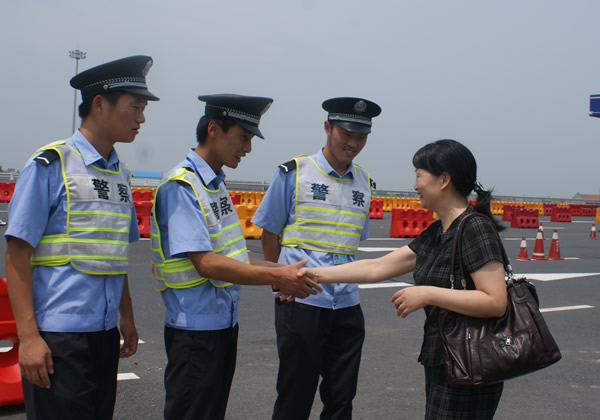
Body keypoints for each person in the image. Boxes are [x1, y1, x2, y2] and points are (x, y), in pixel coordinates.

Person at [300, 139, 508, 419]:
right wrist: (312, 274)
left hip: (472, 361)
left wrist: (427, 294)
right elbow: (377, 267)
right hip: (447, 358)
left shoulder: (475, 228)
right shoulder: (438, 231)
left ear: (444, 179)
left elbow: (495, 301)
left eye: (419, 175)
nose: (415, 185)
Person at [4, 55, 159, 419]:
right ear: (99, 104)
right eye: (135, 107)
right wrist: (29, 337)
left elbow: (111, 254)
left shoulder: (120, 175)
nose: (141, 118)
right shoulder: (52, 165)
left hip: (103, 334)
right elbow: (17, 253)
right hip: (58, 335)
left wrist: (126, 316)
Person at [151, 94, 322, 420]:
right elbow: (206, 263)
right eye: (243, 137)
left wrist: (285, 270)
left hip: (221, 326)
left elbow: (236, 257)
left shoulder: (214, 186)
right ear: (213, 129)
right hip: (193, 332)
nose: (248, 148)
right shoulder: (182, 186)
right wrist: (277, 276)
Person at [251, 97, 381, 420]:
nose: (353, 143)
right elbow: (269, 233)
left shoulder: (364, 183)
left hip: (347, 305)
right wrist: (278, 280)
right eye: (346, 134)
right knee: (295, 396)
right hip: (302, 303)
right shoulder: (294, 173)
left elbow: (350, 244)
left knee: (342, 399)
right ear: (327, 127)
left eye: (361, 136)